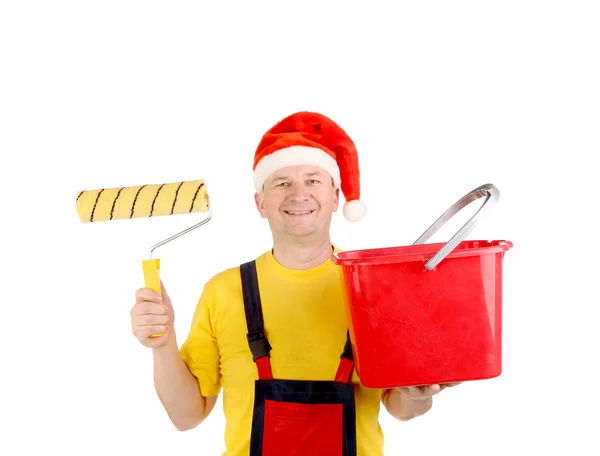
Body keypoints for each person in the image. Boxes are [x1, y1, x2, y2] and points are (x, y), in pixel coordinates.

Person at [130, 111, 460, 455]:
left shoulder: (373, 287)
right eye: (282, 182)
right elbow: (186, 416)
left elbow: (400, 407)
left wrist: (418, 394)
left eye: (314, 180)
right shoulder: (224, 291)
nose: (298, 194)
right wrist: (162, 342)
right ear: (261, 203)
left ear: (336, 197)